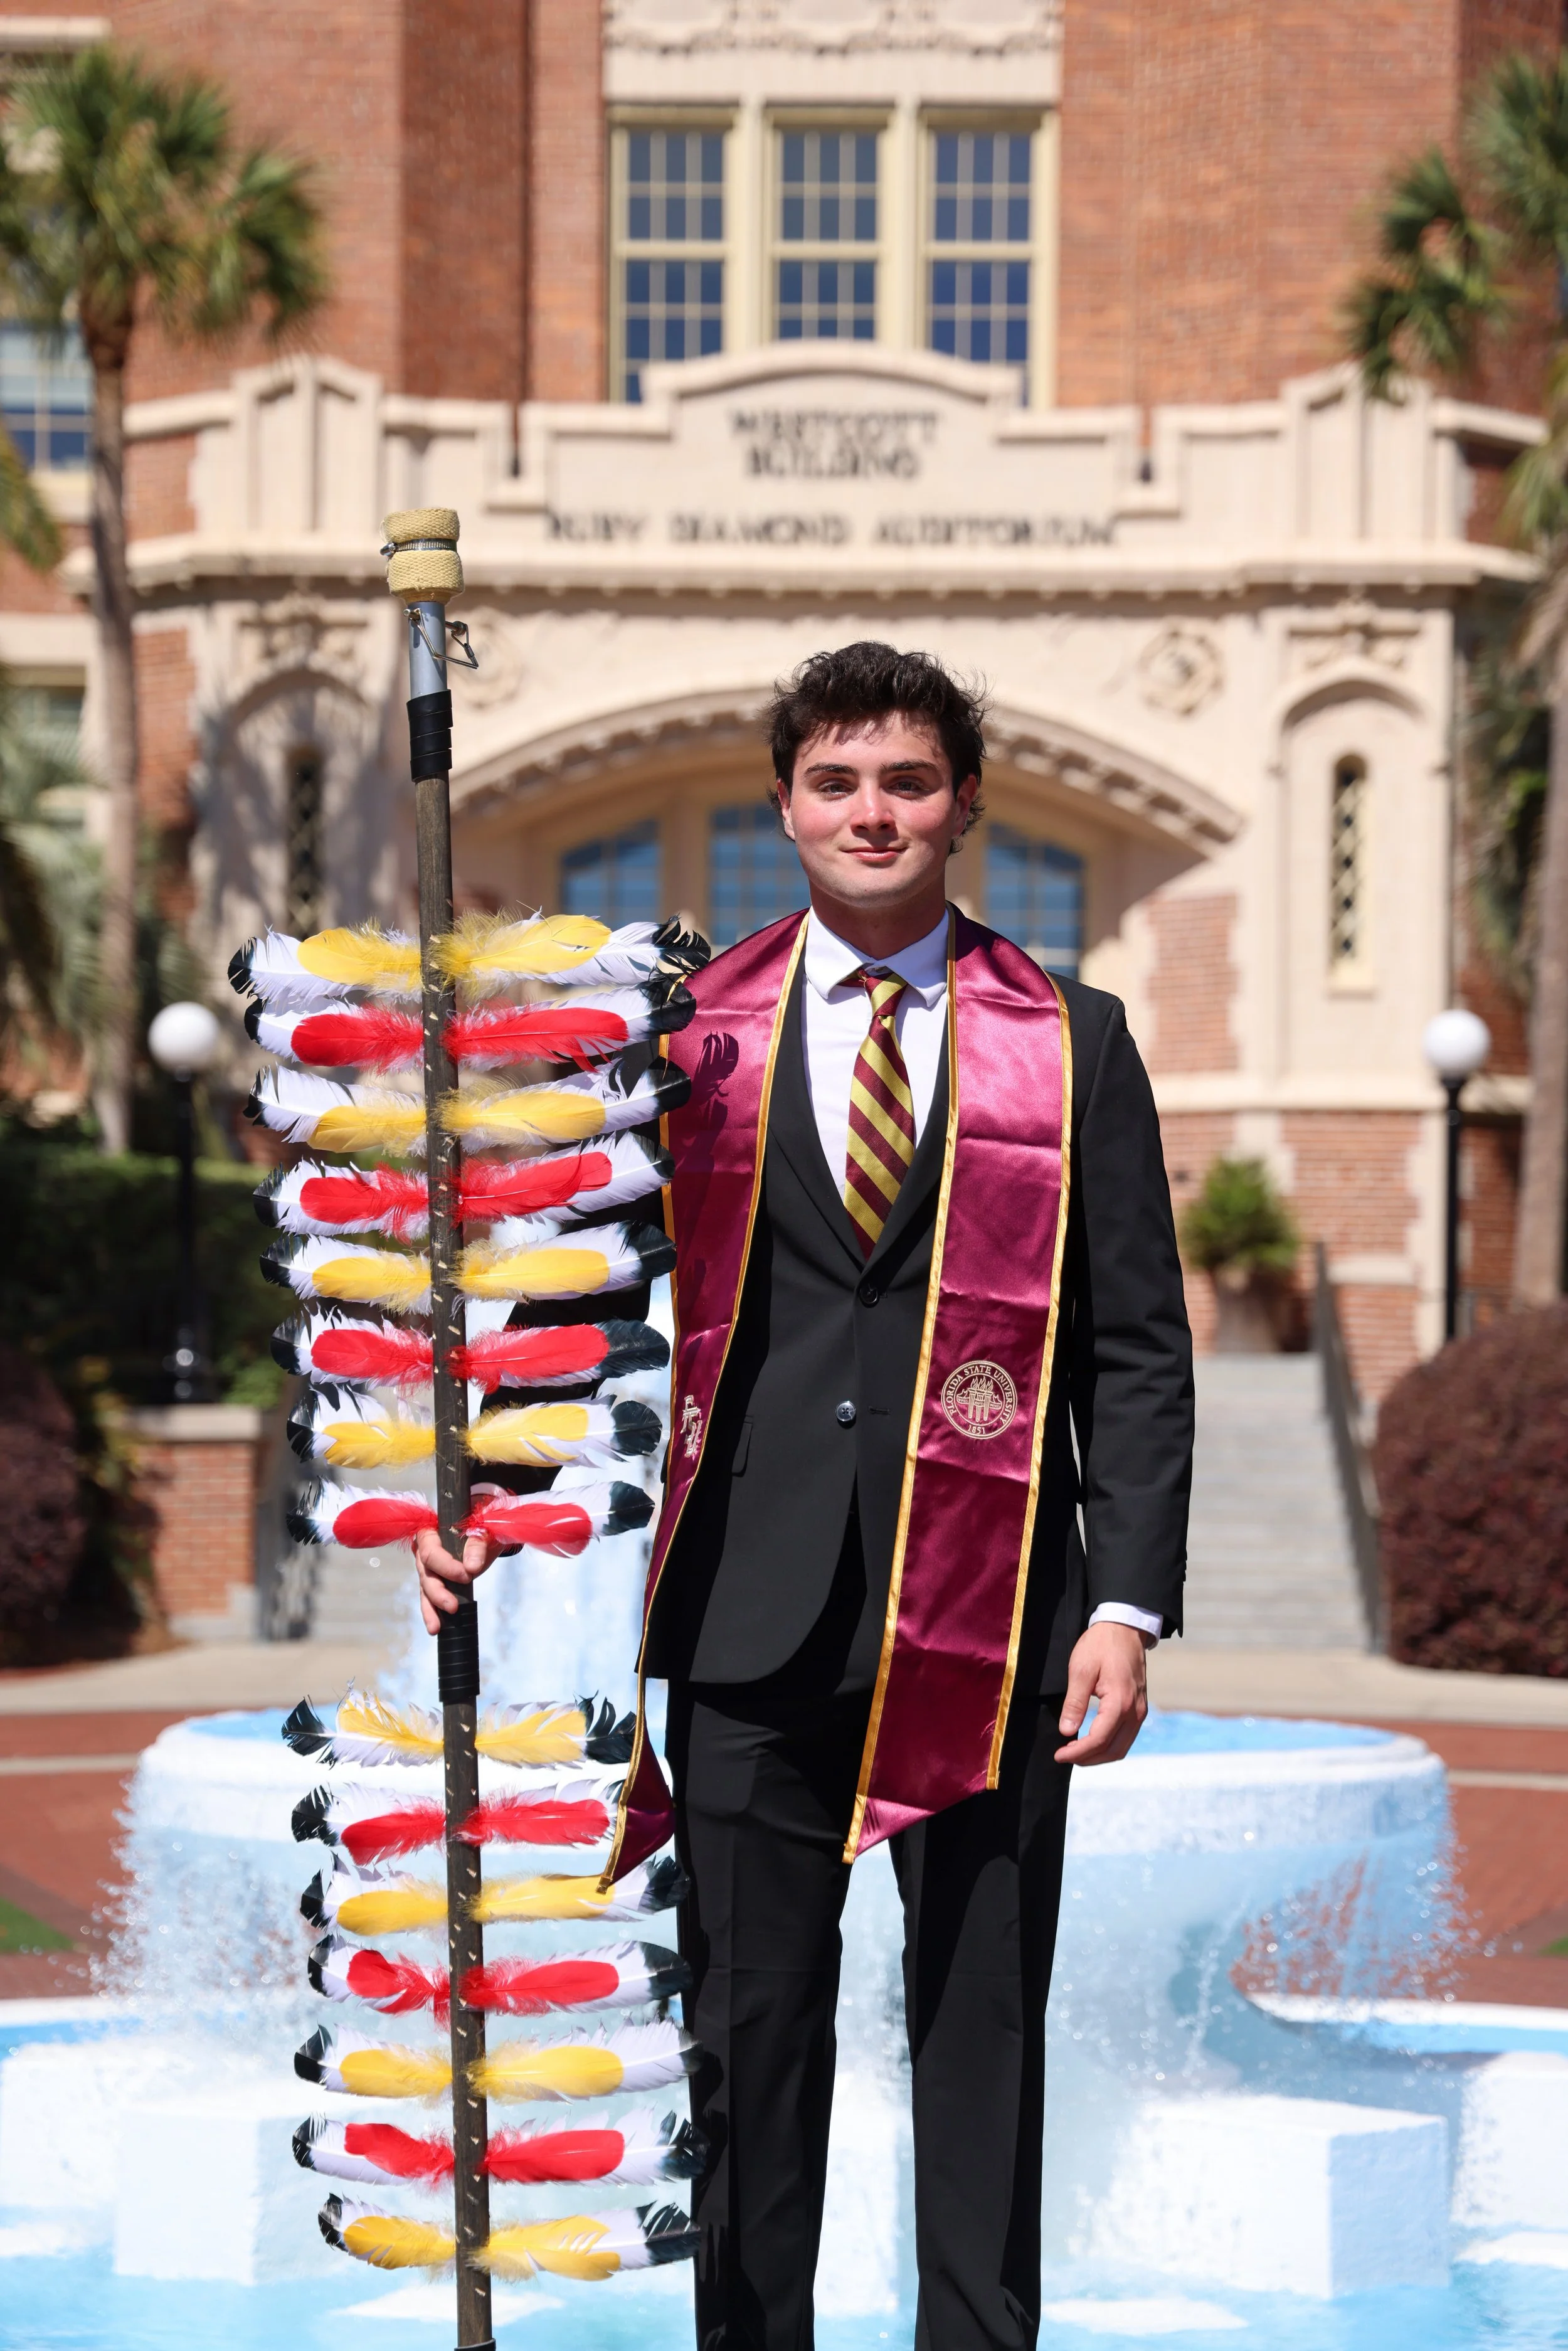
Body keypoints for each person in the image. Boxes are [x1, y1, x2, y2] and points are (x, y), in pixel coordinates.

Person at [415, 642, 1193, 2351]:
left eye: (906, 781)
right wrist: (485, 1487)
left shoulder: (1071, 1042)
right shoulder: (690, 1035)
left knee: (979, 2031)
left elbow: (1135, 1345)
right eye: (837, 783)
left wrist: (1123, 1600)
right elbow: (577, 1293)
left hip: (993, 1624)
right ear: (784, 807)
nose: (873, 812)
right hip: (751, 1611)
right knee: (745, 2044)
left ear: (963, 803)